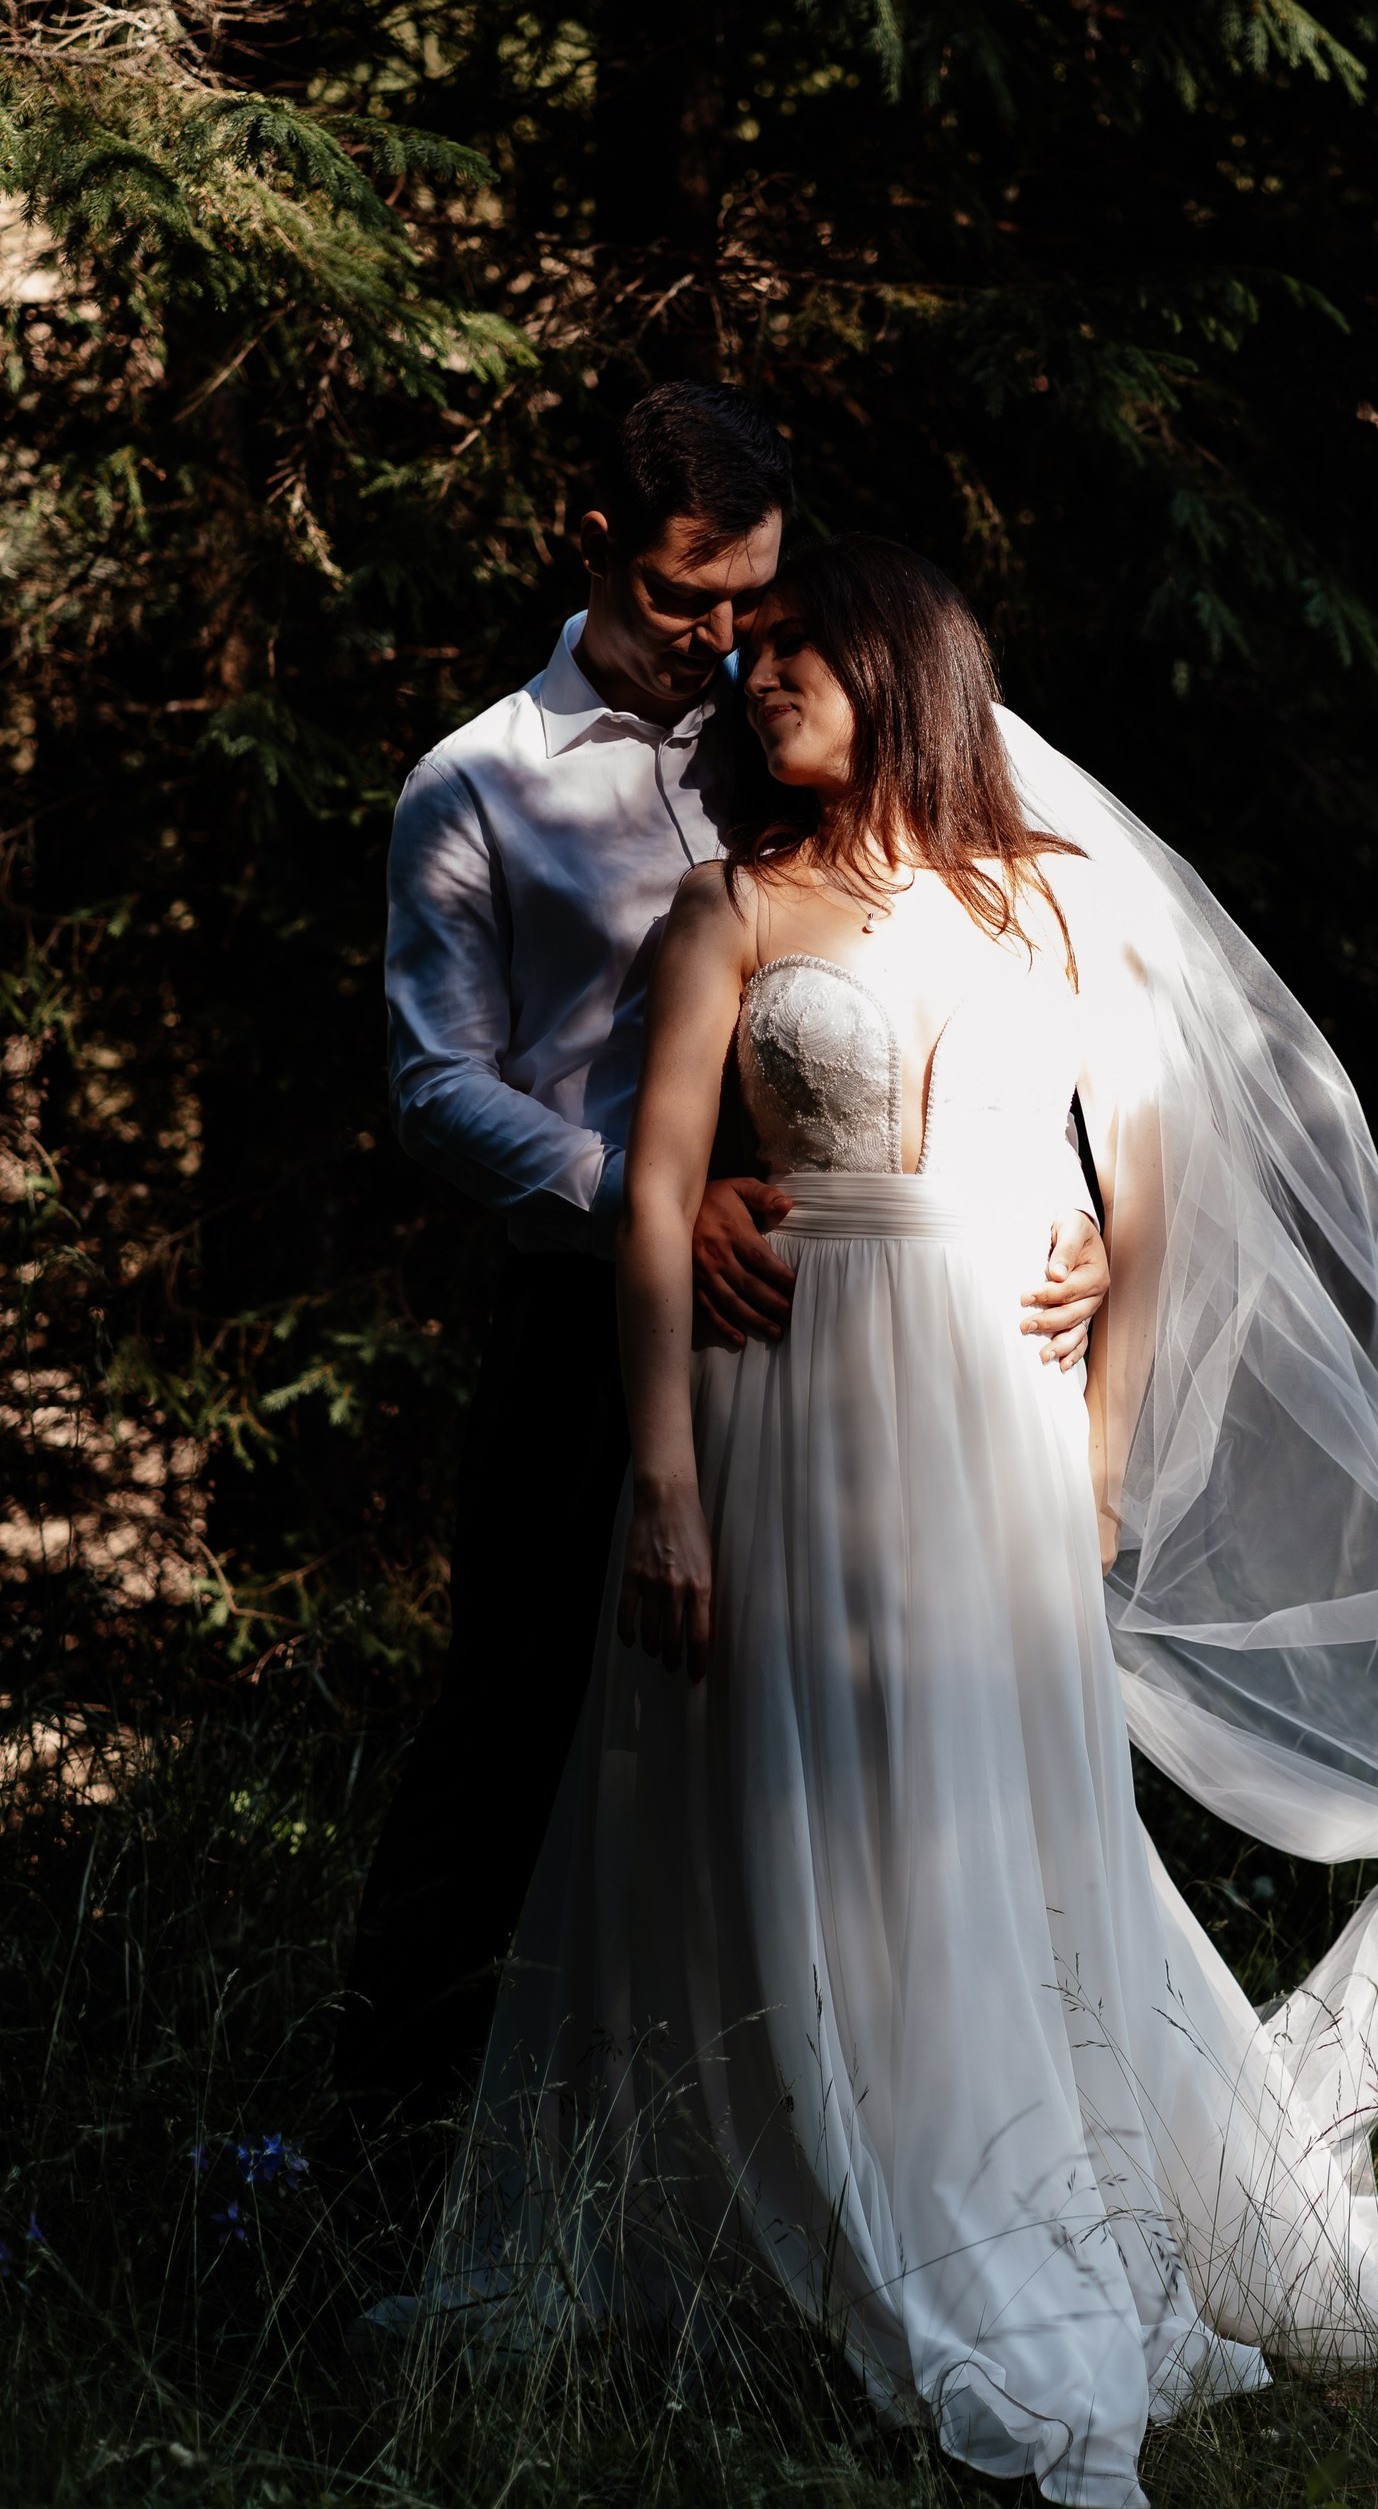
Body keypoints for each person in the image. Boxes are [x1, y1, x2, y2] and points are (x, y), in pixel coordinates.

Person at [443, 538, 1378, 2508]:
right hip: (787, 1403)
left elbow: (1144, 1183)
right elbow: (650, 1210)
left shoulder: (1049, 905)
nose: (754, 679)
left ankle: (1018, 2184)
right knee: (793, 1798)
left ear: (905, 674)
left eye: (796, 653)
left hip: (1004, 1426)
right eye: (750, 654)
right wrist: (674, 1493)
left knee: (1007, 1812)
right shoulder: (731, 908)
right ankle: (809, 2211)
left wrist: (1108, 1455)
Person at [334, 391, 1112, 2174]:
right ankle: (381, 2170)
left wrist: (1055, 1209)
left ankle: (804, 2145)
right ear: (586, 544)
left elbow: (971, 964)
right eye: (692, 602)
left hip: (838, 1346)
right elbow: (434, 1081)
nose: (729, 641)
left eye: (755, 600)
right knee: (519, 1727)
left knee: (816, 1742)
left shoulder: (806, 710)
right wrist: (642, 1197)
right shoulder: (478, 786)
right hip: (584, 1317)